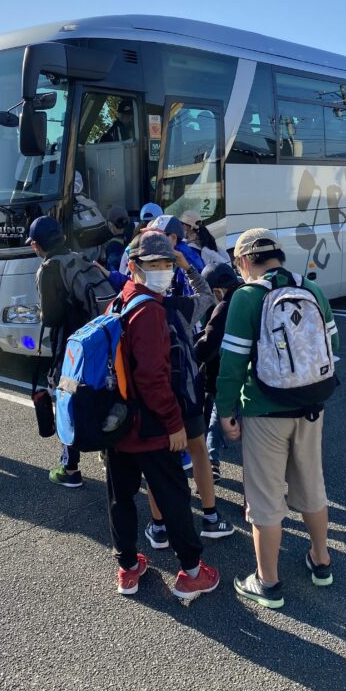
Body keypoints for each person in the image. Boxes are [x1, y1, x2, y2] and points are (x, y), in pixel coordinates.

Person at [215, 228, 339, 610]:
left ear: (243, 261)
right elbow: (332, 346)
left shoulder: (247, 297)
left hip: (264, 411)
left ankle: (267, 582)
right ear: (279, 256)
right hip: (311, 408)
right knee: (312, 486)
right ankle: (321, 561)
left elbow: (232, 365)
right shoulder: (312, 289)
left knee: (266, 498)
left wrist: (226, 411)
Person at [105, 230, 220, 598]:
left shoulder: (120, 301)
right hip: (151, 425)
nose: (162, 270)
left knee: (121, 497)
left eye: (166, 263)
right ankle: (191, 572)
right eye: (153, 264)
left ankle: (128, 568)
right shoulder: (150, 311)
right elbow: (153, 378)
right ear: (134, 266)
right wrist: (173, 423)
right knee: (173, 495)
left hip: (118, 423)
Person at [143, 248, 234, 549]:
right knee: (199, 453)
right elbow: (207, 295)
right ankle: (211, 518)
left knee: (157, 465)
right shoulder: (181, 307)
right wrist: (188, 268)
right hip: (187, 395)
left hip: (155, 401)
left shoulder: (134, 308)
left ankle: (159, 528)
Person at [28, 215, 112, 487]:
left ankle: (70, 468)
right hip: (100, 339)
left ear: (36, 245)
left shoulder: (50, 268)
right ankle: (107, 452)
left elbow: (52, 318)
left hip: (71, 345)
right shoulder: (80, 259)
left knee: (66, 399)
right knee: (99, 392)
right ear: (62, 237)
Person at [194, 262, 241, 482]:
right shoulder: (249, 297)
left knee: (215, 417)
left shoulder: (223, 306)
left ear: (217, 291)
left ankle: (211, 463)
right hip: (252, 377)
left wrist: (191, 354)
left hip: (222, 374)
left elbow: (209, 343)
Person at [147, 214, 204, 294]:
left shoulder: (185, 260)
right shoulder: (169, 252)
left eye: (158, 237)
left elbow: (192, 297)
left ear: (173, 237)